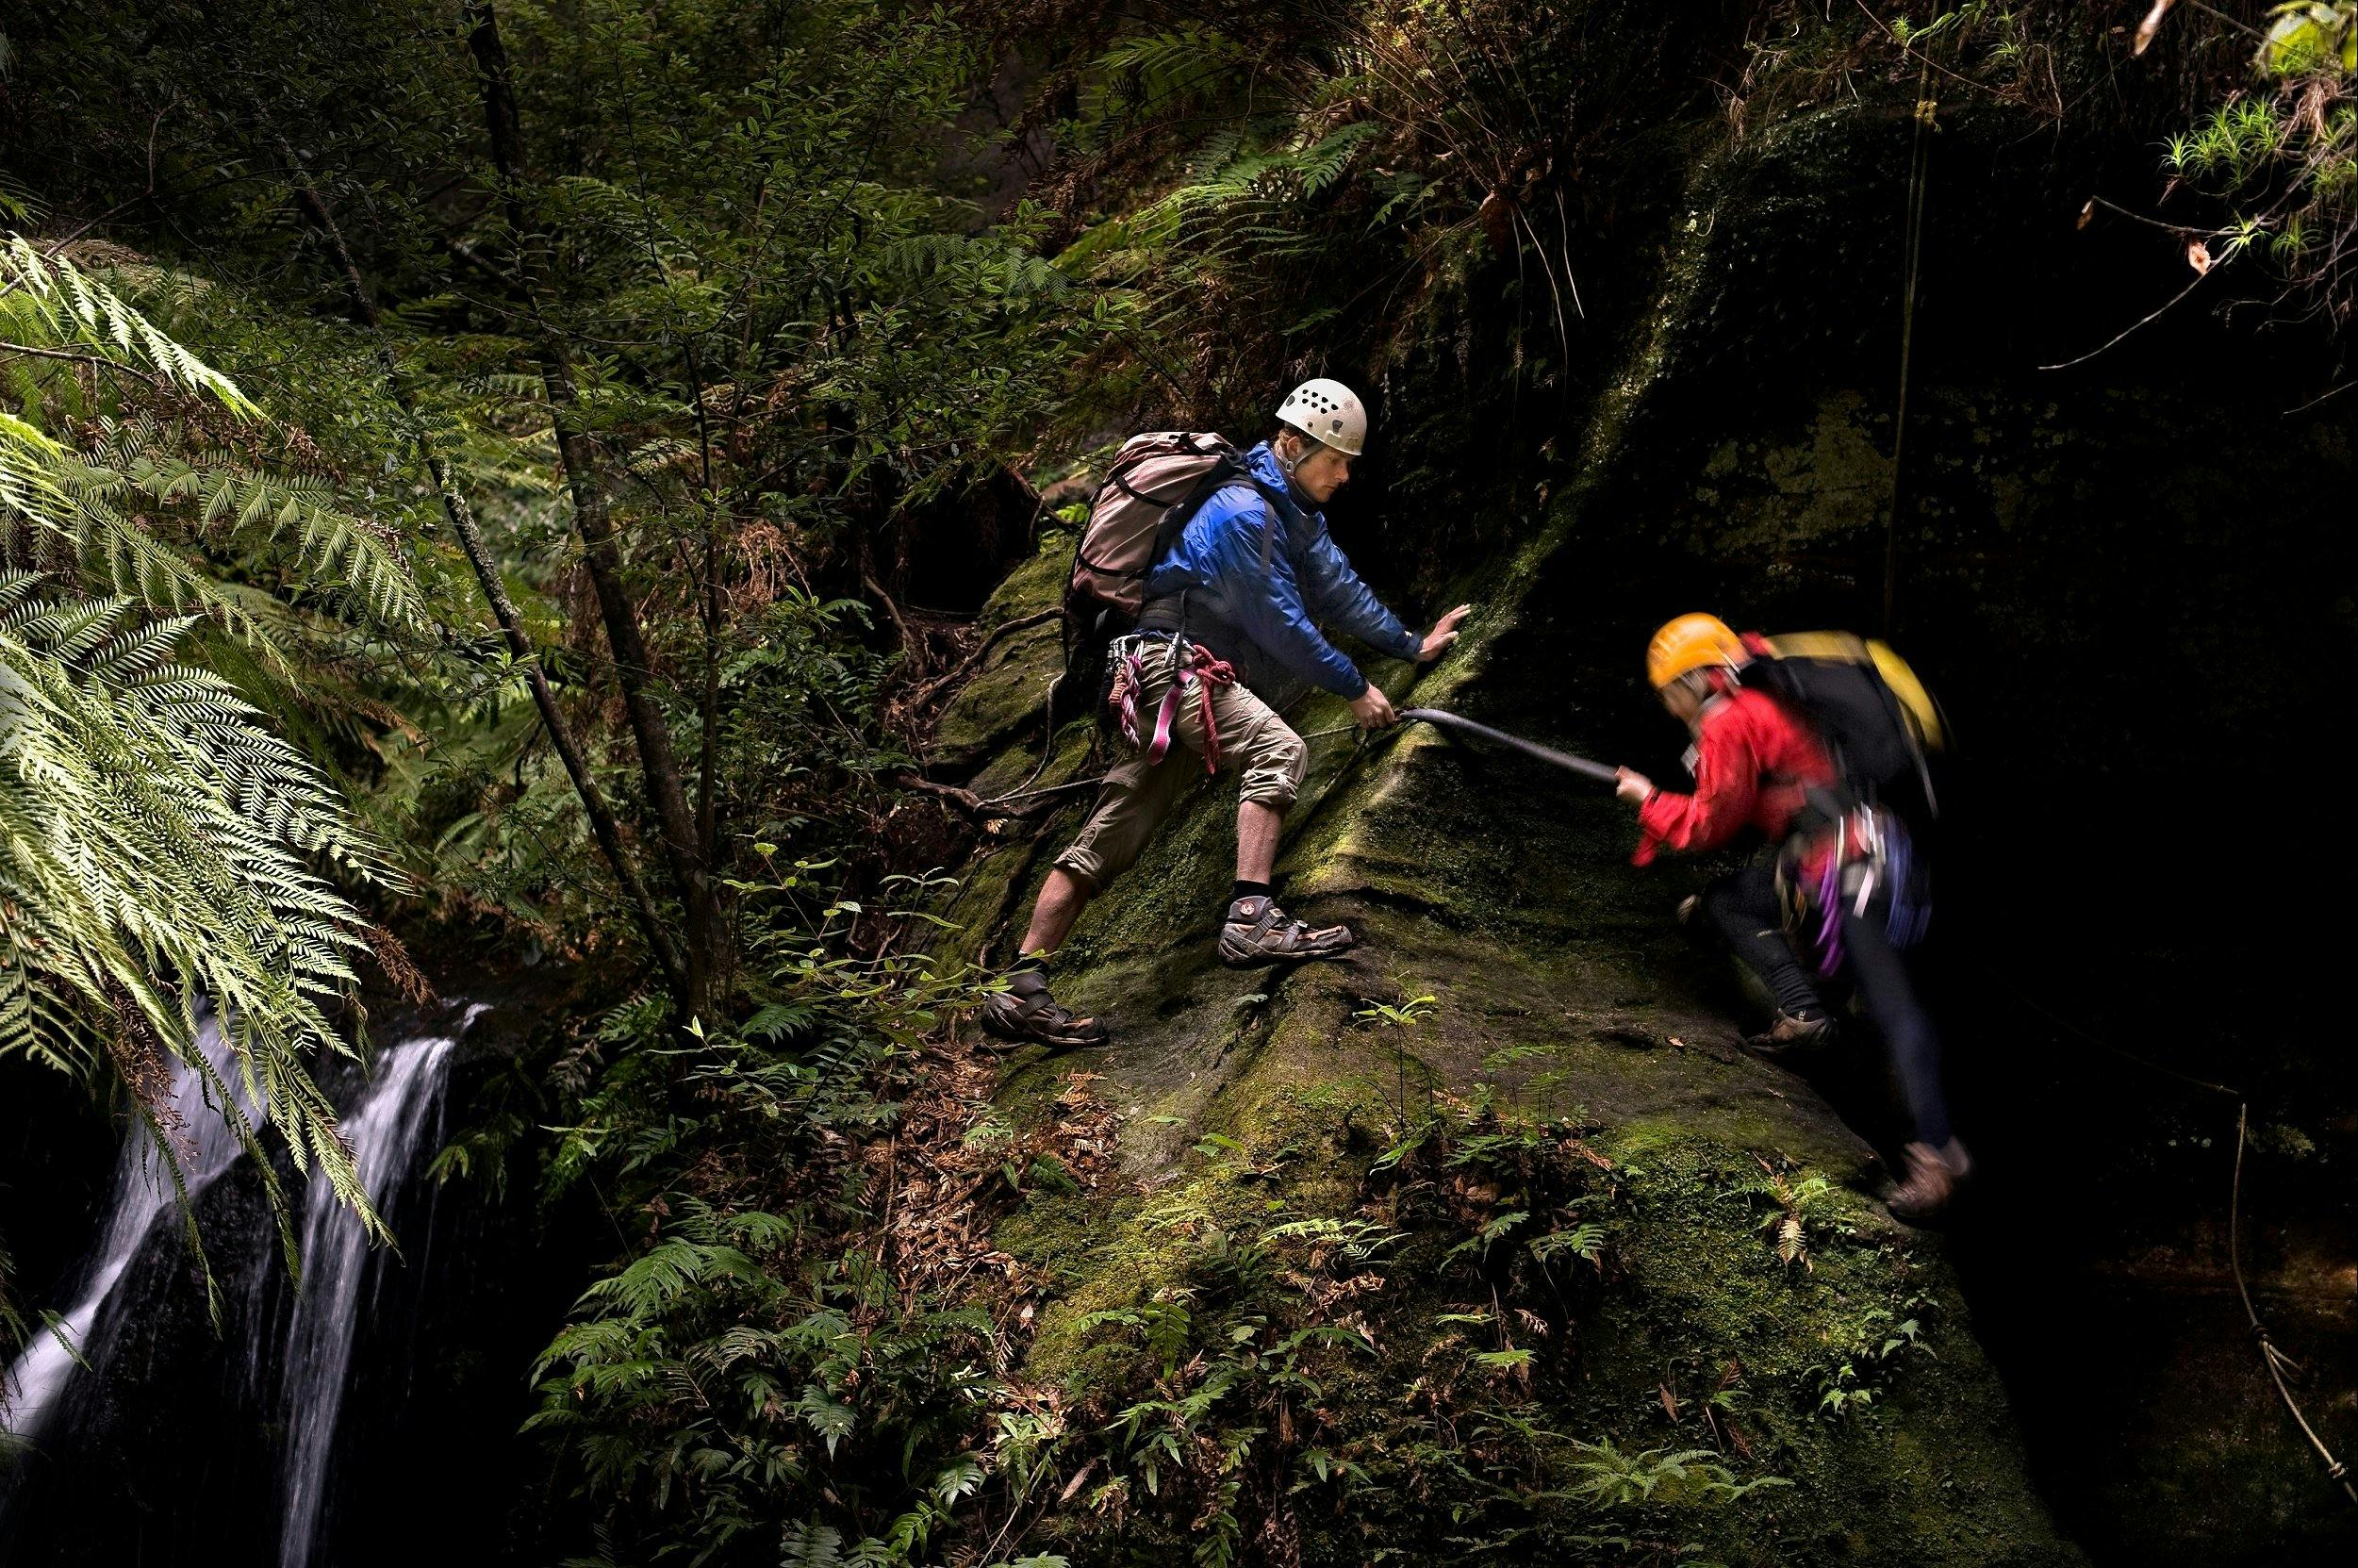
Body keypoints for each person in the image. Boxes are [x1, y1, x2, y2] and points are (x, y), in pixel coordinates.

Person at [982, 378, 1471, 1049]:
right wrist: (1355, 685)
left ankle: (1020, 985)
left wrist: (1413, 644)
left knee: (1115, 828)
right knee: (1280, 751)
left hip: (1154, 674)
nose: (1346, 473)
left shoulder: (1292, 514)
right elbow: (1279, 622)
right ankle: (1251, 914)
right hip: (1171, 665)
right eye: (1337, 458)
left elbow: (1337, 589)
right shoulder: (1242, 510)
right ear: (1293, 445)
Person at [1612, 613, 1969, 1222]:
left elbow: (1710, 823)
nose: (1668, 704)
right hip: (1854, 858)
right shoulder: (1759, 700)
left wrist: (1647, 800)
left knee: (1892, 1009)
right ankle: (1804, 1008)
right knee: (1724, 901)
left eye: (1670, 689)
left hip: (1853, 870)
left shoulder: (1729, 719)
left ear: (1696, 678)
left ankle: (1936, 1156)